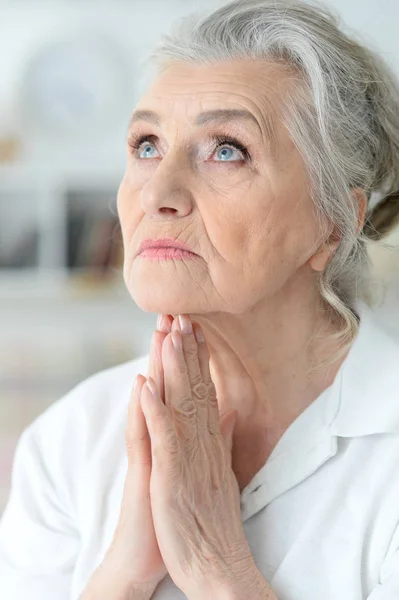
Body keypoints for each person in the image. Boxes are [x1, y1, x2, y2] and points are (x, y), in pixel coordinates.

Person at [2, 0, 399, 598]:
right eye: (146, 145)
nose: (157, 192)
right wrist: (124, 574)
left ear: (335, 220)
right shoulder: (73, 437)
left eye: (227, 149)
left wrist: (218, 567)